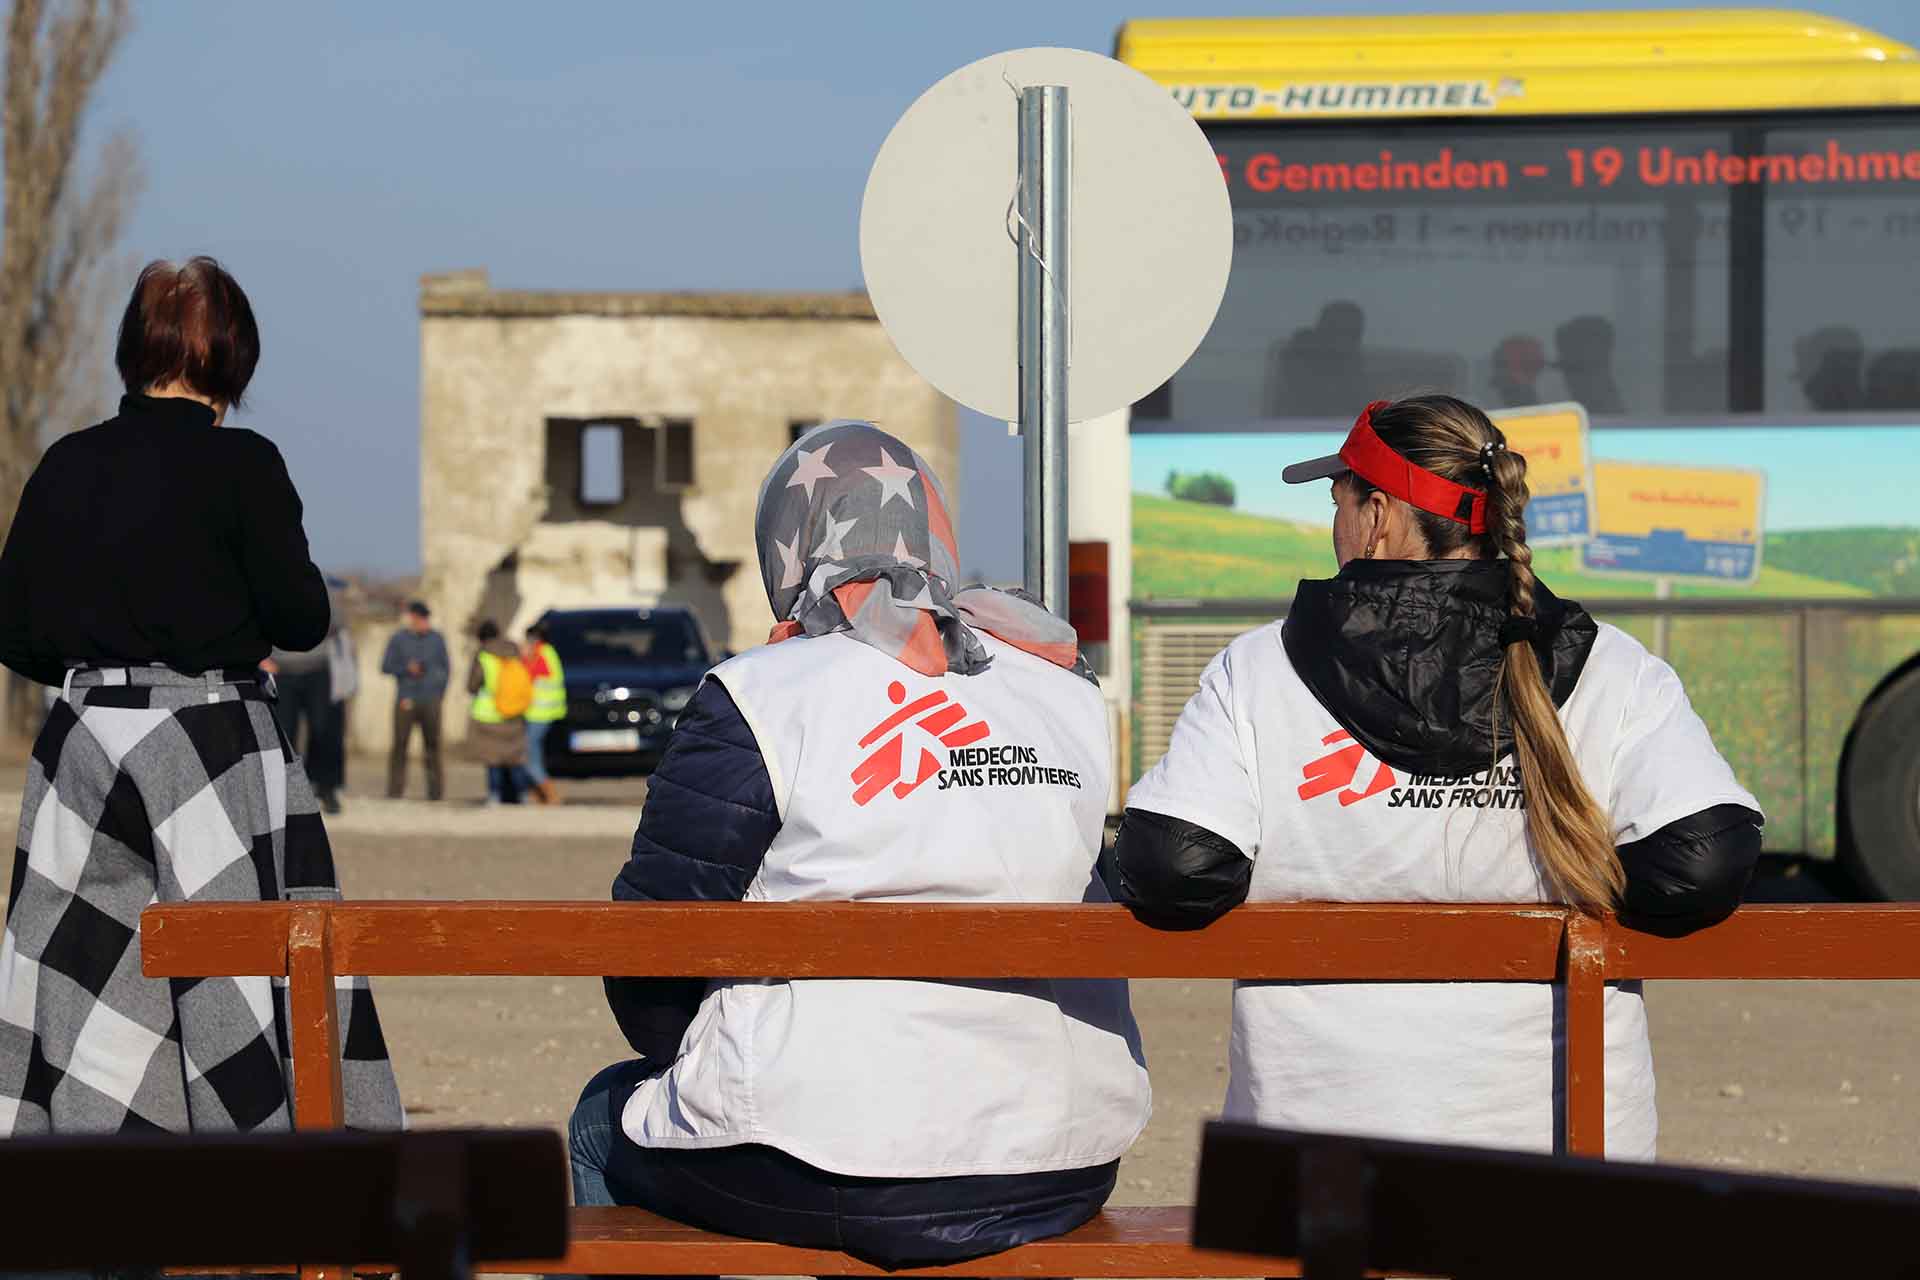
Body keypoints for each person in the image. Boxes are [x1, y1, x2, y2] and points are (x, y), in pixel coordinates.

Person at [1105, 395, 1762, 1160]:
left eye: (1339, 502)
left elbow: (1174, 869)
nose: (1335, 525)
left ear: (1378, 515)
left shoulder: (1256, 673)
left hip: (1315, 1171)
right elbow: (1704, 861)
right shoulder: (1615, 668)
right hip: (1567, 1170)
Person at [568, 421, 1149, 1268]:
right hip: (1061, 1156)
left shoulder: (762, 694)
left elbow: (654, 948)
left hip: (836, 1164)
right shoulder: (1057, 684)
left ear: (788, 546)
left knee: (601, 1119)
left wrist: (699, 1058)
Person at [0, 256, 401, 1134]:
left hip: (83, 750)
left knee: (84, 975)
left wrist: (98, 686)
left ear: (131, 351)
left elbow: (12, 631)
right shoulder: (244, 465)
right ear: (233, 361)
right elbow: (302, 620)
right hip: (217, 748)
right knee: (237, 985)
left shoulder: (65, 465)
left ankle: (92, 1207)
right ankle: (243, 1187)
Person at [266, 576, 353, 814]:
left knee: (323, 729)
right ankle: (284, 793)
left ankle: (325, 789)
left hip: (318, 669)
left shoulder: (318, 586)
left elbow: (337, 622)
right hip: (281, 671)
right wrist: (263, 658)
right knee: (284, 733)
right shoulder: (267, 586)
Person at [383, 599, 449, 800]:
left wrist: (439, 693)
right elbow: (385, 666)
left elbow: (446, 669)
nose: (422, 622)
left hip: (431, 700)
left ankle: (436, 793)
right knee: (400, 746)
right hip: (406, 698)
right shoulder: (398, 639)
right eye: (418, 618)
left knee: (433, 746)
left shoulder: (437, 639)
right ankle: (395, 792)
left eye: (424, 619)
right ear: (411, 618)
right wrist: (406, 669)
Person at [467, 620, 529, 805]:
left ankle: (495, 795)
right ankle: (521, 795)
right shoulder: (515, 652)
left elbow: (472, 685)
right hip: (516, 712)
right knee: (515, 758)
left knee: (493, 759)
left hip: (490, 715)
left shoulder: (484, 655)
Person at [522, 621, 566, 805]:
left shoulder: (539, 654)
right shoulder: (549, 652)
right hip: (544, 712)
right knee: (534, 754)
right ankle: (539, 794)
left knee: (528, 756)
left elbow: (527, 676)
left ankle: (550, 793)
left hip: (538, 713)